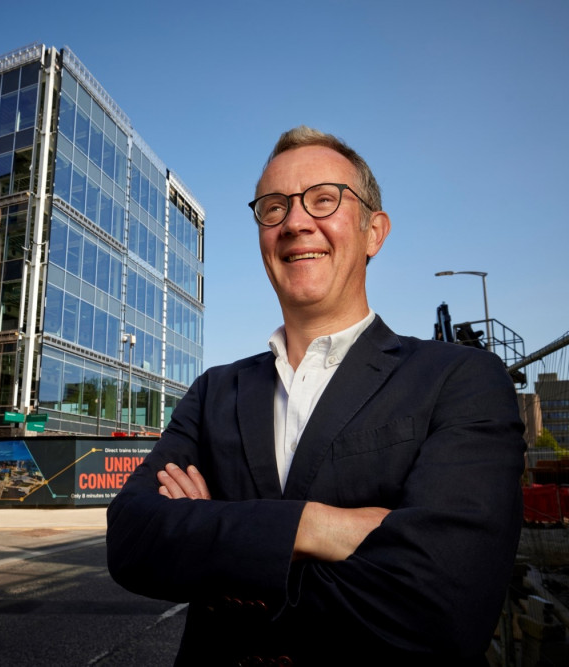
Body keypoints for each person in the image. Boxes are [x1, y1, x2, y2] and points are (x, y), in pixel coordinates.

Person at [106, 126, 526, 666]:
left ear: (374, 231)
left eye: (324, 200)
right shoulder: (215, 390)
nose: (296, 223)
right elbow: (133, 541)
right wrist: (322, 527)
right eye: (274, 207)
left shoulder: (460, 379)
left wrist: (216, 542)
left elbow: (441, 606)